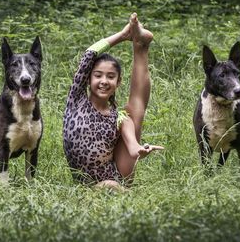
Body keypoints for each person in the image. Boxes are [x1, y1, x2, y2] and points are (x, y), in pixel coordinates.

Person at [63, 13, 164, 189]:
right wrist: (122, 36)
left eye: (110, 77)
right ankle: (138, 43)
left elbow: (131, 141)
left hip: (116, 176)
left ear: (118, 83)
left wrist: (138, 149)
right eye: (98, 75)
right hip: (86, 184)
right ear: (88, 79)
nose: (104, 81)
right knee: (110, 186)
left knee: (130, 114)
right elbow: (89, 54)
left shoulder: (117, 117)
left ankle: (141, 47)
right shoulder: (76, 100)